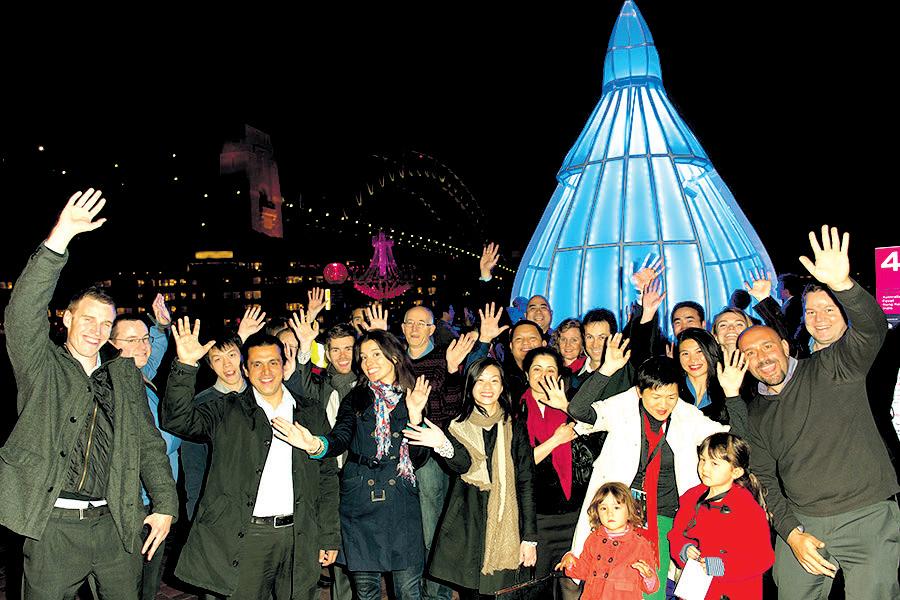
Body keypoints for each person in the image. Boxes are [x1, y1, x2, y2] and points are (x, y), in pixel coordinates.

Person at [0, 188, 177, 599]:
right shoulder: (41, 364)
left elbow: (149, 445)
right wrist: (60, 237)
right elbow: (22, 312)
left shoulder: (124, 376)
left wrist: (165, 505)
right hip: (54, 528)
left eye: (105, 324)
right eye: (88, 319)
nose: (96, 330)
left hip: (116, 523)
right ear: (66, 318)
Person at [738, 225, 900, 599]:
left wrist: (843, 285)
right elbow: (763, 475)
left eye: (829, 309)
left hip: (866, 511)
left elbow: (872, 328)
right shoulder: (759, 410)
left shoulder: (836, 364)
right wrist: (792, 533)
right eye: (750, 354)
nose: (762, 357)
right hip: (804, 520)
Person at [161, 323, 340, 599]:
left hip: (300, 535)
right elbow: (177, 420)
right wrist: (185, 366)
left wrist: (328, 534)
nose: (266, 371)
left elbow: (327, 476)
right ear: (246, 369)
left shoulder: (310, 412)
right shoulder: (227, 409)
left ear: (284, 365)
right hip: (248, 537)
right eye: (257, 364)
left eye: (273, 363)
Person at [567, 348, 745, 600]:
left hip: (666, 516)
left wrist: (733, 394)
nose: (664, 405)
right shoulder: (623, 406)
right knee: (608, 588)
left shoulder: (686, 415)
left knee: (653, 588)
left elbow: (734, 441)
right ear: (640, 392)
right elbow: (578, 409)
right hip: (618, 516)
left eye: (671, 396)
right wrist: (606, 370)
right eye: (656, 396)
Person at [275, 329, 432, 600]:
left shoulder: (413, 396)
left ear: (394, 357)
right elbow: (341, 436)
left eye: (376, 354)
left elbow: (418, 459)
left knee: (408, 590)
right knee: (366, 590)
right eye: (364, 357)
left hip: (400, 500)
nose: (368, 362)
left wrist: (416, 416)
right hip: (360, 499)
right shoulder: (356, 396)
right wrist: (315, 445)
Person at [406, 357, 538, 599]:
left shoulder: (515, 425)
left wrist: (530, 538)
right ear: (470, 385)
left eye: (494, 381)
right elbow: (461, 463)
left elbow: (526, 481)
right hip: (468, 527)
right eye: (480, 381)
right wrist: (436, 438)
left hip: (506, 526)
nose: (487, 387)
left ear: (502, 387)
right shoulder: (456, 425)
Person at [108, 295, 181, 600]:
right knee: (132, 585)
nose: (143, 346)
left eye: (144, 339)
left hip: (154, 499)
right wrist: (181, 429)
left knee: (148, 583)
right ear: (111, 345)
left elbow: (152, 355)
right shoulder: (115, 386)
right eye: (132, 340)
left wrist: (160, 328)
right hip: (136, 503)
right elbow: (153, 444)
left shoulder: (138, 375)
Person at [520, 347, 594, 600]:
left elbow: (596, 442)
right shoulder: (516, 409)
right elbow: (518, 465)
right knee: (535, 589)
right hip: (536, 519)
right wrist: (555, 441)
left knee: (572, 585)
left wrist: (567, 407)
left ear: (560, 375)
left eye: (550, 369)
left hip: (575, 516)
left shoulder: (574, 405)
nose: (543, 375)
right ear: (526, 374)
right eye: (536, 369)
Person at [668, 433, 774, 600]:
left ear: (736, 471)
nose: (704, 468)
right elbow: (676, 534)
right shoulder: (691, 497)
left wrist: (723, 566)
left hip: (735, 591)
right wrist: (684, 549)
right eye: (702, 459)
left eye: (714, 463)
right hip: (697, 590)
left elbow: (763, 557)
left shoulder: (748, 508)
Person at [555, 482, 659, 599]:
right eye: (603, 508)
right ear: (597, 512)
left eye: (616, 507)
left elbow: (651, 588)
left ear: (630, 510)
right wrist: (570, 563)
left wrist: (649, 576)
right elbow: (583, 571)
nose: (610, 513)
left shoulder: (640, 545)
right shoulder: (593, 539)